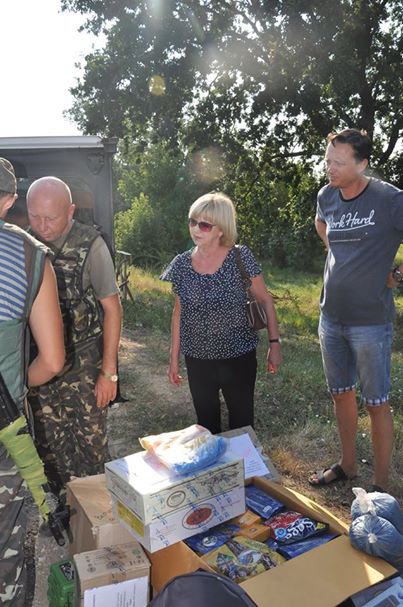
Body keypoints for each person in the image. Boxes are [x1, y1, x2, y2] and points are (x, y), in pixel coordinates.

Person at [310, 128, 403, 492]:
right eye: (327, 160)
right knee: (340, 393)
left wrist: (396, 274)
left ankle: (380, 485)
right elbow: (322, 222)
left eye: (338, 162)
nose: (329, 168)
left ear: (362, 164)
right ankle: (347, 464)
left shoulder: (389, 199)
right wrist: (336, 250)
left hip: (370, 322)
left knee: (376, 402)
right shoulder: (327, 196)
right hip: (330, 316)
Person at [26, 176, 122, 496]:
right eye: (34, 216)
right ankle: (67, 510)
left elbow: (112, 308)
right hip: (41, 361)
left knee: (91, 444)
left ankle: (99, 515)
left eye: (50, 218)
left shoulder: (90, 244)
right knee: (50, 445)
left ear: (70, 211)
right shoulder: (23, 245)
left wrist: (109, 371)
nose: (42, 226)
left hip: (85, 360)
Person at [161, 192, 282, 434]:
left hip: (238, 357)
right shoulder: (182, 264)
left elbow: (265, 300)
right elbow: (178, 313)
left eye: (204, 225)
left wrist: (274, 345)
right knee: (206, 427)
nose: (196, 229)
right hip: (197, 359)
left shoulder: (240, 256)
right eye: (192, 221)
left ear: (221, 229)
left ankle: (247, 471)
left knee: (242, 424)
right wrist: (174, 358)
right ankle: (217, 472)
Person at [0, 159, 65, 606]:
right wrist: (15, 389)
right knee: (9, 552)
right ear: (8, 201)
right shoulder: (28, 255)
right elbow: (54, 360)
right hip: (7, 432)